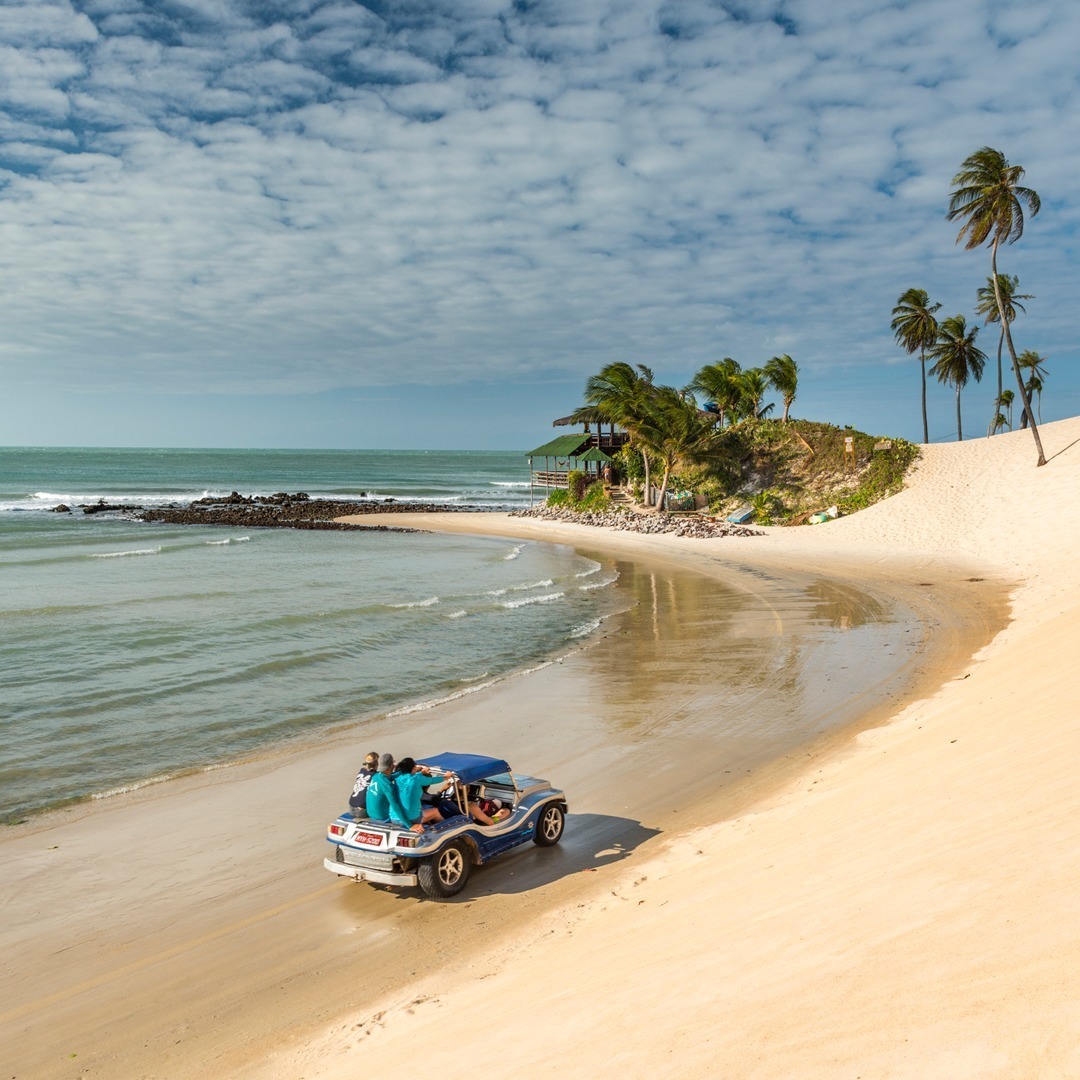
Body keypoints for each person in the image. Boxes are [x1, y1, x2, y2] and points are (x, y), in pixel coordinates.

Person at [365, 753, 422, 833]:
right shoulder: (387, 785)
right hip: (383, 819)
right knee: (416, 813)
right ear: (392, 766)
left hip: (372, 816)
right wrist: (410, 826)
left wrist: (408, 771)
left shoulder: (376, 776)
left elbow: (391, 776)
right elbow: (395, 805)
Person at [394, 757, 453, 828]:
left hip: (394, 818)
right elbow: (432, 780)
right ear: (412, 769)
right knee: (436, 811)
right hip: (411, 819)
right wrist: (446, 777)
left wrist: (421, 772)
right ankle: (443, 830)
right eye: (415, 767)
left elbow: (411, 777)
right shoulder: (417, 779)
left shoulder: (397, 778)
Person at [348, 751, 379, 815]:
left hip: (351, 806)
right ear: (377, 764)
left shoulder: (361, 771)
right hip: (361, 811)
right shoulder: (376, 776)